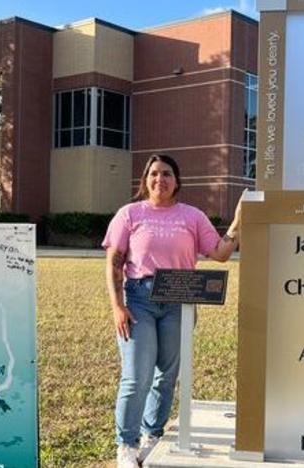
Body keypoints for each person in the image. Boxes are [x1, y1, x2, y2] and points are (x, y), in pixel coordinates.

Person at [102, 154, 241, 468]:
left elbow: (219, 254)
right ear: (145, 179)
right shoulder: (130, 214)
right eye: (153, 174)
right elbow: (114, 261)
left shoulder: (192, 216)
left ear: (177, 181)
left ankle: (152, 435)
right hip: (139, 299)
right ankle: (126, 444)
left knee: (166, 375)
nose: (159, 179)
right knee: (137, 376)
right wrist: (117, 307)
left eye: (166, 174)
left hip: (180, 300)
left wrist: (237, 224)